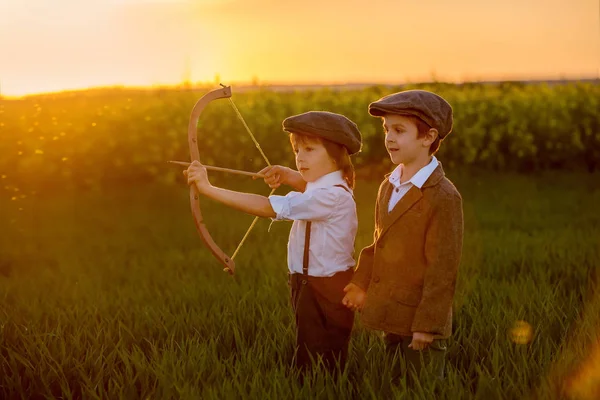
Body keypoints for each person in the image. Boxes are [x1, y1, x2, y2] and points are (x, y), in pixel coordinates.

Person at [185, 111, 362, 374]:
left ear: (336, 156)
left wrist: (209, 189)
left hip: (326, 287)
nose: (300, 157)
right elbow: (308, 186)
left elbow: (266, 206)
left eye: (310, 149)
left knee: (319, 355)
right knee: (310, 345)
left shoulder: (332, 197)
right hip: (309, 283)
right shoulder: (322, 187)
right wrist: (289, 174)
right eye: (297, 150)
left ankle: (322, 388)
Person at [342, 90, 464, 383]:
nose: (389, 138)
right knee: (391, 384)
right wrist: (361, 283)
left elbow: (442, 269)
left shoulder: (444, 196)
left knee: (419, 387)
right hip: (391, 313)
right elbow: (379, 244)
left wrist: (427, 325)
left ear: (428, 137)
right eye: (386, 130)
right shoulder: (389, 185)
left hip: (421, 324)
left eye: (399, 130)